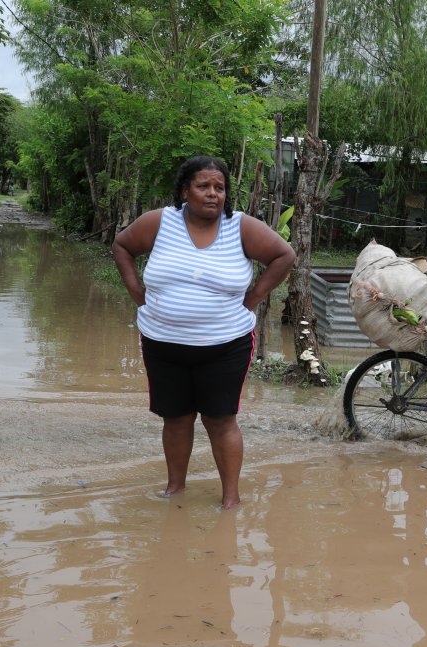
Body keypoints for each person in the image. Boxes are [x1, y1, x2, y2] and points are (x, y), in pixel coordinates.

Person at [112, 156, 295, 509]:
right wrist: (137, 293)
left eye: (220, 187)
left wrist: (253, 299)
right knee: (176, 418)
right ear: (185, 191)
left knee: (220, 420)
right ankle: (174, 488)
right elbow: (122, 246)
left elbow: (283, 255)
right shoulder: (159, 223)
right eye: (203, 186)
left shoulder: (241, 228)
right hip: (162, 343)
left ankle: (230, 499)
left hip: (225, 346)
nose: (213, 194)